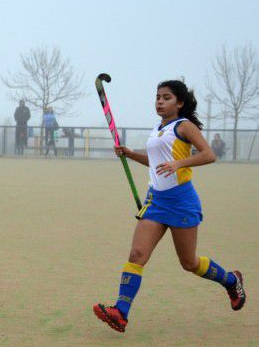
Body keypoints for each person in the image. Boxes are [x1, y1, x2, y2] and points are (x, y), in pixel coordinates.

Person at [93, 80, 246, 333]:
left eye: (166, 98)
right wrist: (130, 154)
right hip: (156, 201)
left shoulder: (184, 127)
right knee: (137, 255)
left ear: (180, 103)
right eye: (157, 97)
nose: (160, 102)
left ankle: (231, 280)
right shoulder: (157, 129)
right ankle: (120, 312)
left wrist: (180, 164)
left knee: (189, 262)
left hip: (182, 202)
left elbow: (209, 154)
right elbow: (156, 164)